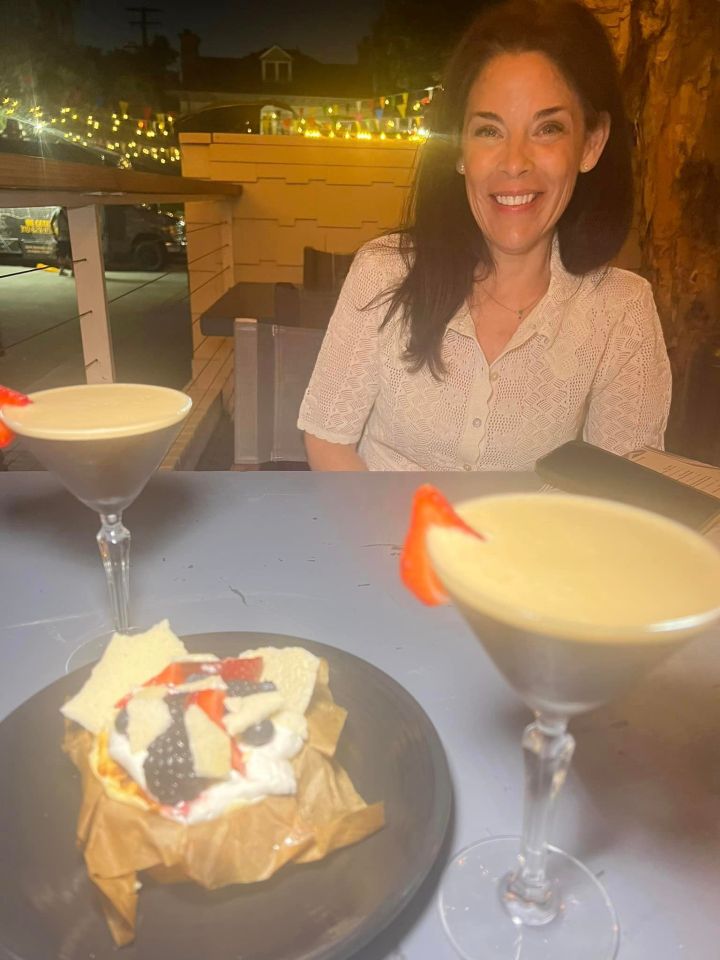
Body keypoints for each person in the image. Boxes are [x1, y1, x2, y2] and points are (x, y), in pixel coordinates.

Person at [297, 0, 671, 471]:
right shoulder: (384, 271)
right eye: (489, 131)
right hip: (378, 521)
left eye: (548, 129)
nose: (514, 162)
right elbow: (328, 440)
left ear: (591, 144)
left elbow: (619, 488)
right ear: (459, 148)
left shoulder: (621, 310)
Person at [50, 207, 73, 277]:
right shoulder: (69, 210)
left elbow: (51, 223)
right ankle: (72, 271)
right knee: (70, 255)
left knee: (62, 255)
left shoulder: (56, 211)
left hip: (61, 237)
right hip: (69, 237)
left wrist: (54, 234)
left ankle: (62, 270)